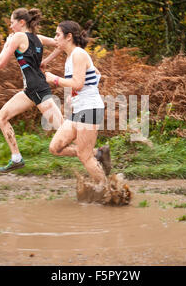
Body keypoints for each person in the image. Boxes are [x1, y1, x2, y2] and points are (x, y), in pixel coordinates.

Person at [42, 20, 131, 205]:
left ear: (68, 36)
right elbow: (95, 74)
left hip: (89, 109)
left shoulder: (79, 54)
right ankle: (98, 154)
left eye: (57, 34)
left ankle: (109, 192)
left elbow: (78, 83)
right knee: (55, 147)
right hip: (79, 109)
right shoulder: (71, 57)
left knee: (84, 156)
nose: (55, 38)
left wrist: (54, 79)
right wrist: (74, 96)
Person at [0, 8, 63, 172]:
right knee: (1, 117)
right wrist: (45, 61)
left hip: (38, 89)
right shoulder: (37, 38)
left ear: (21, 22)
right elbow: (60, 44)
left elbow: (0, 63)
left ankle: (95, 154)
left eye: (12, 23)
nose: (11, 27)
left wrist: (6, 44)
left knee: (63, 130)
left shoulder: (17, 37)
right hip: (30, 91)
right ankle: (16, 158)